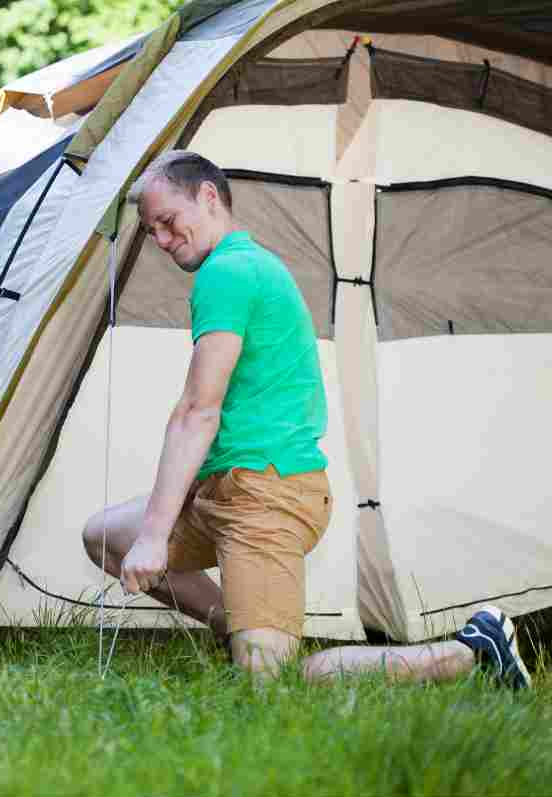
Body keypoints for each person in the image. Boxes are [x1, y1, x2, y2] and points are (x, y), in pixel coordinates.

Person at [81, 151, 531, 689]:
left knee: (278, 686)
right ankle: (239, 630)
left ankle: (471, 651)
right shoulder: (242, 267)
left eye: (168, 222)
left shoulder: (229, 270)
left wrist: (156, 536)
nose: (161, 239)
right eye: (151, 229)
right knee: (104, 536)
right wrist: (154, 529)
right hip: (223, 492)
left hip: (266, 496)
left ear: (207, 196)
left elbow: (198, 410)